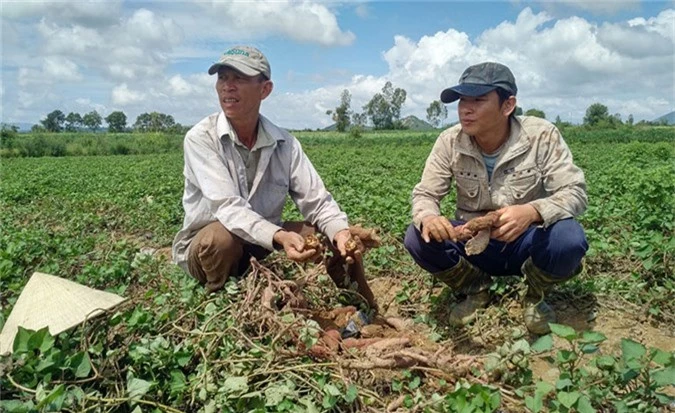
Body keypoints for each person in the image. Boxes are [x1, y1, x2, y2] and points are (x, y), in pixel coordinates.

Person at [172, 45, 376, 308]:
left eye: (239, 78)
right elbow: (228, 208)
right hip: (208, 249)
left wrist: (340, 233)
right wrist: (280, 236)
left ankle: (364, 305)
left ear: (265, 90)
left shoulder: (285, 143)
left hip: (262, 240)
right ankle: (220, 305)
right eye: (222, 77)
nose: (227, 86)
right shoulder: (202, 138)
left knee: (335, 236)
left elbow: (318, 202)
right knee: (221, 239)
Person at [404, 62, 588, 334]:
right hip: (473, 243)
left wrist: (532, 212)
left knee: (568, 238)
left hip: (525, 240)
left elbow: (575, 192)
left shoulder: (541, 135)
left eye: (478, 100)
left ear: (507, 105)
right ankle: (477, 290)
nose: (466, 109)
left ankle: (535, 296)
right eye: (462, 100)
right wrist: (429, 217)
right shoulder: (449, 141)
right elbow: (426, 193)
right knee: (418, 236)